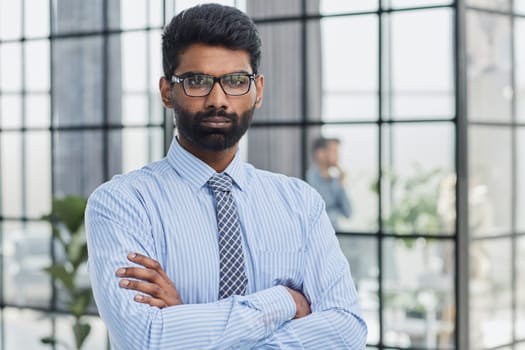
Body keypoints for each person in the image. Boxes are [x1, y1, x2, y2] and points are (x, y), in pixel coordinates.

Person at [85, 4, 367, 349]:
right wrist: (282, 302)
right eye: (196, 81)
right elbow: (147, 339)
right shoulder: (122, 204)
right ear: (166, 92)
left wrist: (189, 322)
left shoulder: (300, 202)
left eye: (236, 81)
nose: (217, 100)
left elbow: (346, 330)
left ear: (258, 90)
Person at [306, 137, 352, 231]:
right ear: (320, 153)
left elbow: (348, 213)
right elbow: (316, 214)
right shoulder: (309, 178)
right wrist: (335, 212)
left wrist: (342, 184)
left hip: (334, 235)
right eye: (334, 151)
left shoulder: (335, 181)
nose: (338, 156)